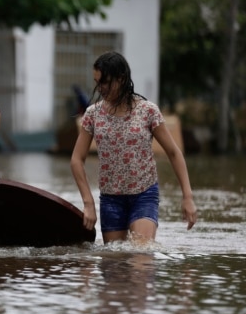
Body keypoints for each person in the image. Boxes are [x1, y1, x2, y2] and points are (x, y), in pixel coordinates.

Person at [70, 51, 197, 245]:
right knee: (115, 266)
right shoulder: (92, 115)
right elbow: (77, 160)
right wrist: (88, 202)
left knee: (141, 259)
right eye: (97, 82)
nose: (100, 88)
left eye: (105, 82)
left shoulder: (148, 111)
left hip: (144, 195)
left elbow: (174, 152)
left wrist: (187, 197)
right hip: (111, 200)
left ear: (121, 79)